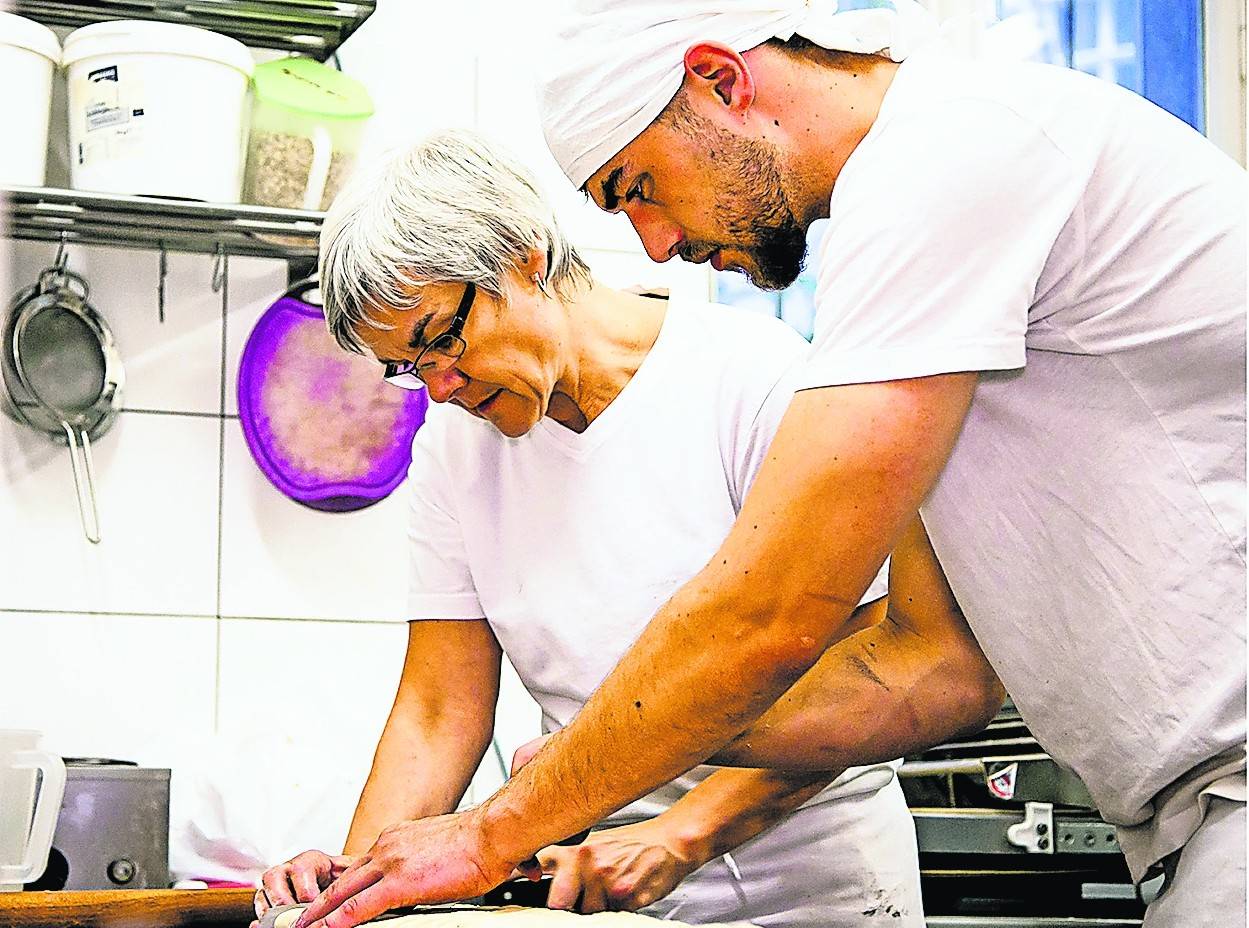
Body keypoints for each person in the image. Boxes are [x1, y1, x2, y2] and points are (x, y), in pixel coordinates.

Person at [288, 3, 1245, 928]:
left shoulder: (949, 162)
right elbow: (932, 666)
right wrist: (593, 760)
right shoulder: (922, 204)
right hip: (1192, 814)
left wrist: (512, 819)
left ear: (719, 81)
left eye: (639, 189)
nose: (657, 246)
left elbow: (772, 618)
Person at [254, 129, 1002, 927]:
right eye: (407, 367)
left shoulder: (751, 378)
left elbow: (867, 667)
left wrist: (680, 835)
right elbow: (439, 708)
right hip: (601, 900)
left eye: (440, 341)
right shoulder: (452, 452)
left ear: (523, 255)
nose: (438, 388)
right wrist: (356, 890)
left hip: (814, 891)